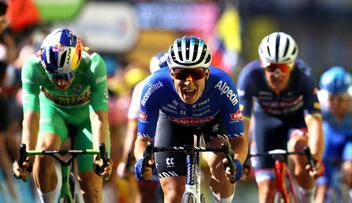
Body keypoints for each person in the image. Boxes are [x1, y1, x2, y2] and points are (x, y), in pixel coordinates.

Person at [133, 35, 248, 203]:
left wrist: (236, 162)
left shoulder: (223, 85)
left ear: (206, 73)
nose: (188, 82)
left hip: (212, 121)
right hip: (172, 123)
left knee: (221, 169)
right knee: (173, 195)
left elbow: (239, 140)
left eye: (196, 73)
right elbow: (142, 140)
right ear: (171, 73)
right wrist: (141, 160)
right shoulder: (154, 86)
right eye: (181, 74)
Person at [12, 28, 113, 203]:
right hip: (53, 113)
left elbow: (99, 117)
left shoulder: (94, 65)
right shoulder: (32, 67)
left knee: (90, 183)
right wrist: (25, 156)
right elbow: (30, 118)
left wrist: (101, 155)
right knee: (43, 151)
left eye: (67, 75)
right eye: (55, 76)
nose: (61, 82)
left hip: (86, 118)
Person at [236, 31, 325, 203]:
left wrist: (315, 159)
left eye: (283, 68)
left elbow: (314, 122)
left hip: (295, 121)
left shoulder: (303, 76)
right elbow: (242, 123)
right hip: (265, 124)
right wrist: (242, 158)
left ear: (291, 66)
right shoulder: (250, 76)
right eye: (270, 67)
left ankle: (307, 199)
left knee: (300, 149)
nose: (277, 74)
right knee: (267, 191)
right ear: (262, 65)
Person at [117, 51, 167, 203]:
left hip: (151, 148)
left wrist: (126, 162)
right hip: (167, 148)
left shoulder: (142, 87)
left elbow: (133, 130)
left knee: (145, 196)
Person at [315, 66, 352, 202]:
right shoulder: (319, 101)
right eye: (331, 99)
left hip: (351, 138)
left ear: (348, 96)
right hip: (329, 136)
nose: (335, 104)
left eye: (340, 99)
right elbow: (312, 128)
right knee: (323, 186)